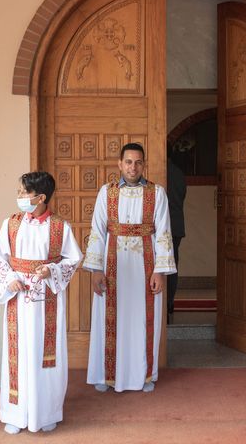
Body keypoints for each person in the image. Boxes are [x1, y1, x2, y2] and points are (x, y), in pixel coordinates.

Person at [0, 171, 83, 434]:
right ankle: (16, 414)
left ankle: (46, 412)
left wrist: (51, 271)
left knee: (45, 356)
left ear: (41, 197)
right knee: (17, 353)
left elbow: (73, 259)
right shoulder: (10, 224)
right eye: (19, 192)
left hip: (47, 301)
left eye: (24, 193)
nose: (19, 197)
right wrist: (9, 278)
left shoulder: (59, 226)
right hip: (18, 298)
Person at [84, 143, 176, 393]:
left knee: (142, 320)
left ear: (143, 165)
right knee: (109, 319)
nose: (132, 167)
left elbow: (164, 232)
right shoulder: (107, 192)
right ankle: (106, 374)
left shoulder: (157, 193)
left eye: (138, 162)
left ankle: (144, 375)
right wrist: (95, 269)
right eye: (128, 162)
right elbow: (97, 230)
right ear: (119, 164)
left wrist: (160, 270)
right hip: (112, 266)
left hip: (145, 268)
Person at [166, 145, 186, 319]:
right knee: (172, 265)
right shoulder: (179, 173)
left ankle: (163, 304)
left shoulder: (160, 171)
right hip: (177, 225)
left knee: (162, 265)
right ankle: (170, 303)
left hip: (164, 227)